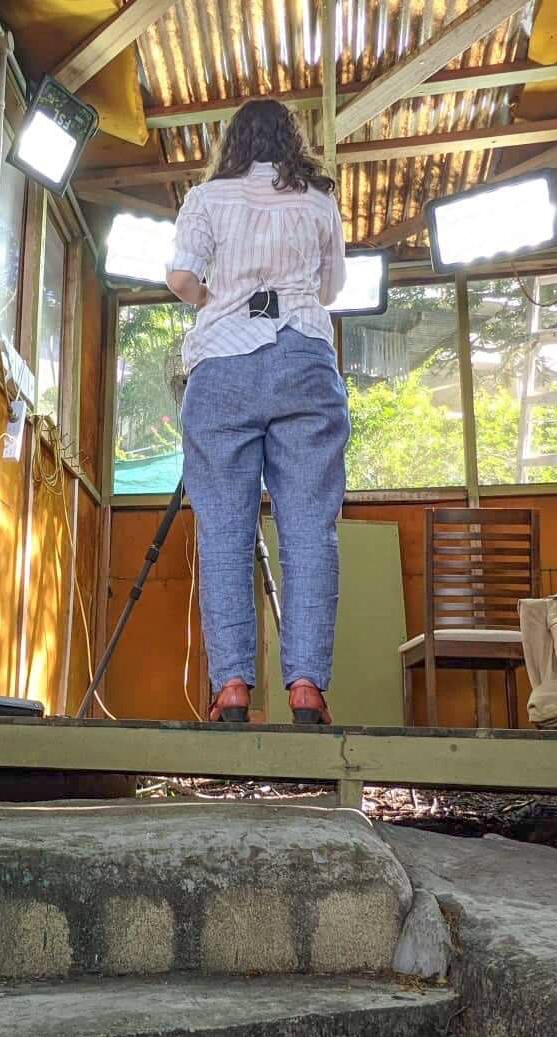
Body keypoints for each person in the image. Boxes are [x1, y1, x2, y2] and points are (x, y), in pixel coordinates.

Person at [164, 98, 349, 726]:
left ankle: (234, 687)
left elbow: (180, 277)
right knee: (309, 530)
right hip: (304, 358)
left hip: (222, 364)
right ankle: (306, 688)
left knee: (224, 532)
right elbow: (332, 290)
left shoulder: (208, 198)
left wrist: (219, 299)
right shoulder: (320, 199)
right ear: (292, 141)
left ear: (233, 143)